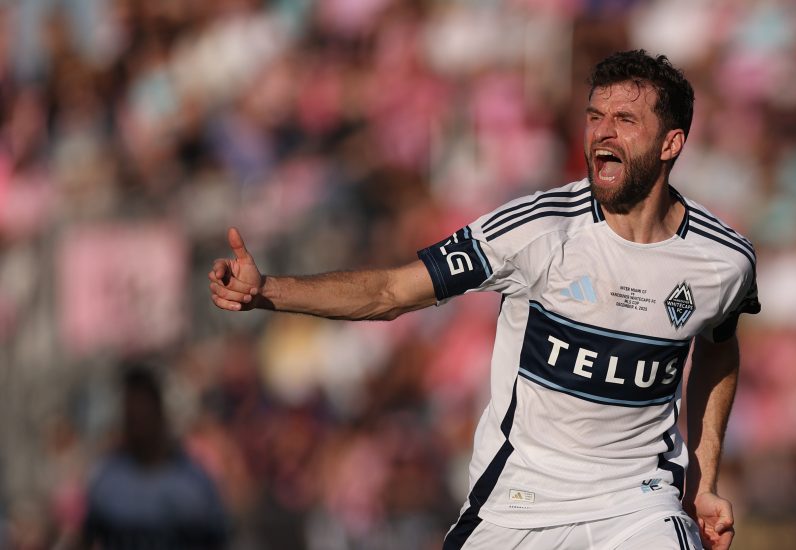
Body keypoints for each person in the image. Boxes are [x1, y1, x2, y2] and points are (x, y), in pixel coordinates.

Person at [209, 49, 759, 550]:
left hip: (638, 506)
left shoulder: (723, 261)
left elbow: (718, 345)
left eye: (625, 120)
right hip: (520, 505)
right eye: (594, 117)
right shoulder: (537, 230)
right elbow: (391, 291)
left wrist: (702, 480)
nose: (602, 134)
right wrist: (269, 291)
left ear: (671, 143)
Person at [81, 365, 229, 549]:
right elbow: (88, 537)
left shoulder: (194, 483)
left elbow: (219, 538)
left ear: (159, 412)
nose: (138, 424)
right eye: (131, 416)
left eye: (143, 414)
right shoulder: (106, 480)